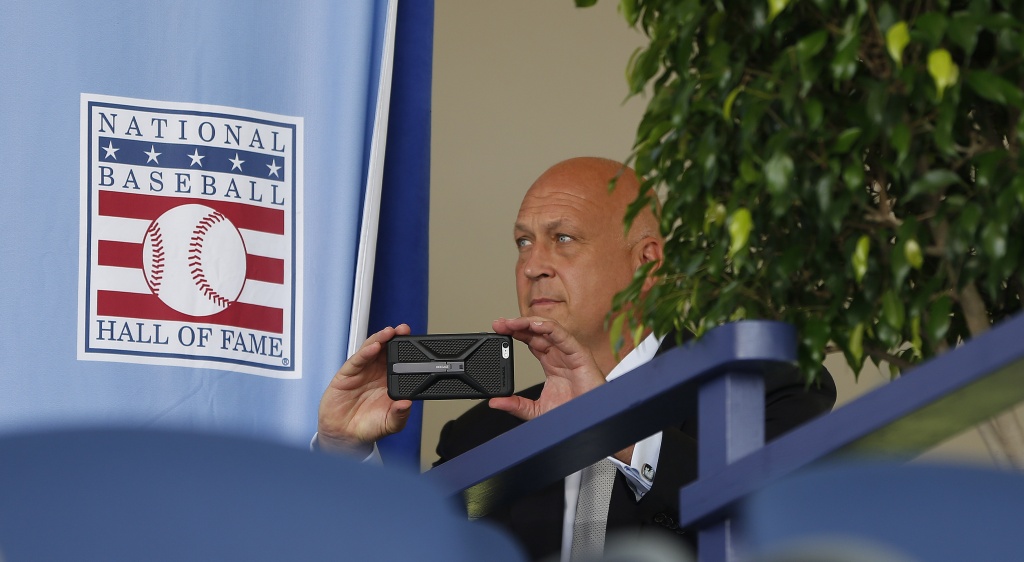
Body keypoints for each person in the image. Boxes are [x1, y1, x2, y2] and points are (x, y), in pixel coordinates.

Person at [315, 157, 836, 560]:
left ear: (646, 263)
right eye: (523, 241)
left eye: (562, 239)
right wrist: (347, 452)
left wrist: (614, 429)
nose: (533, 264)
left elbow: (775, 523)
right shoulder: (483, 434)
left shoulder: (766, 389)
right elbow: (411, 550)